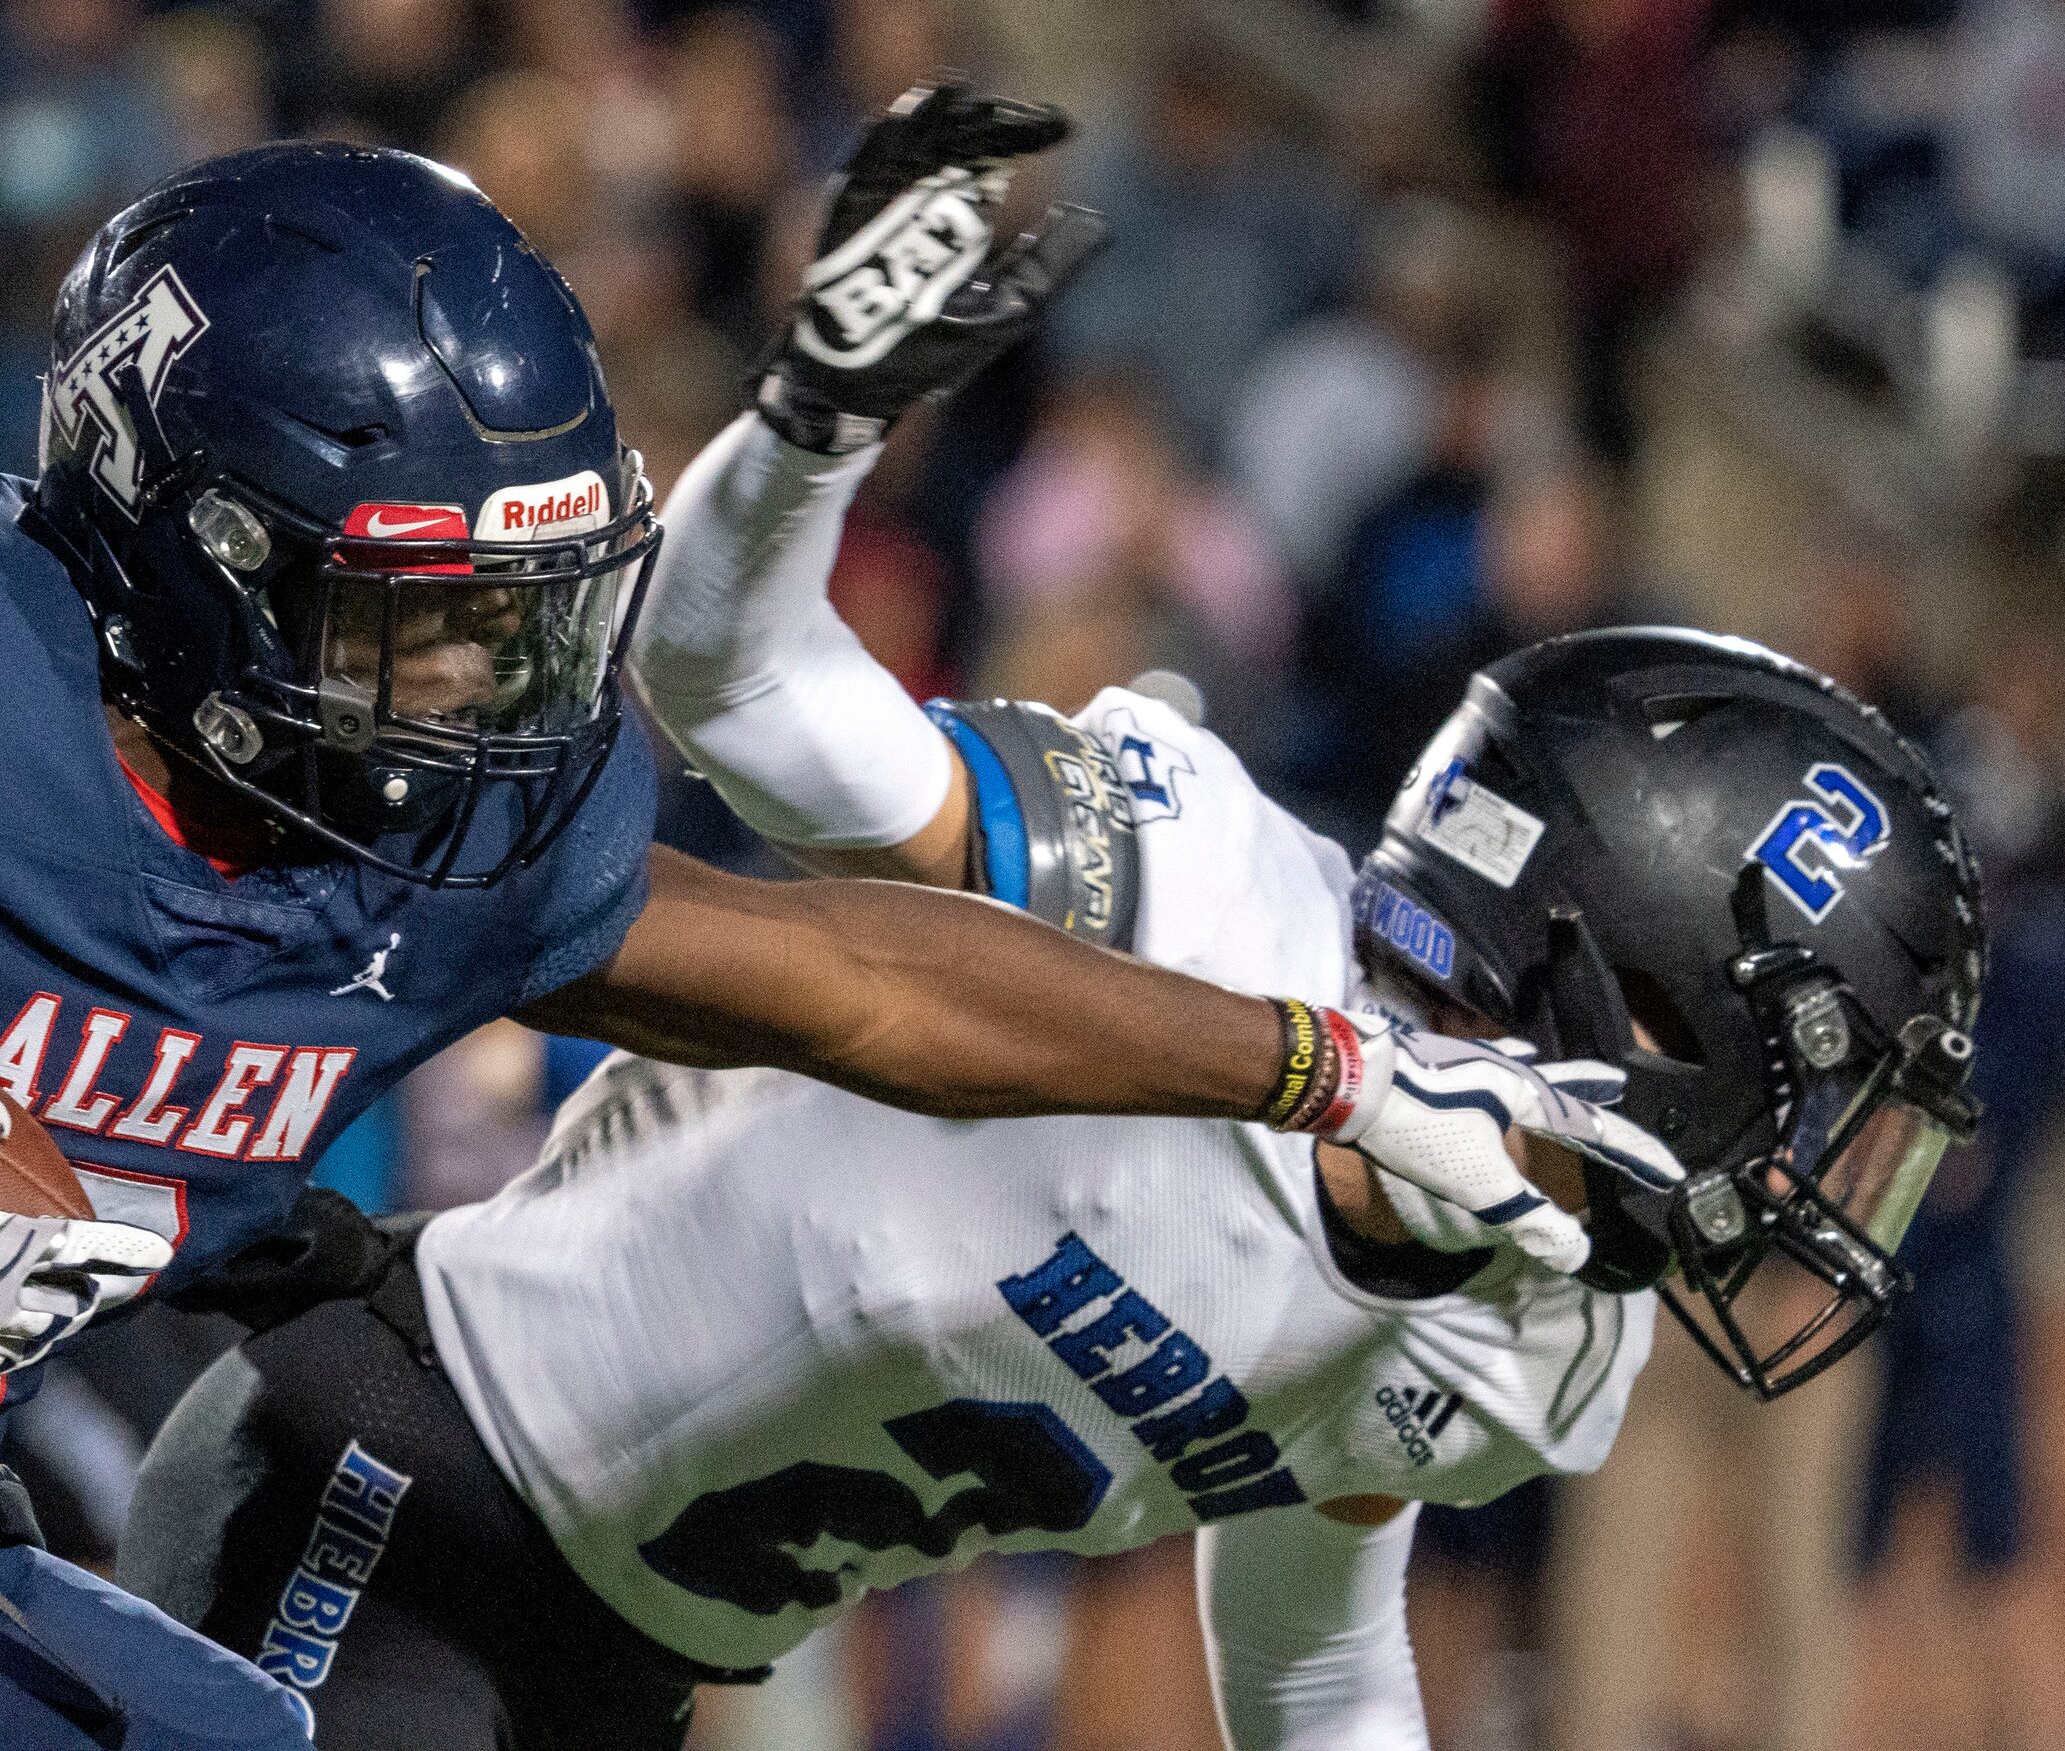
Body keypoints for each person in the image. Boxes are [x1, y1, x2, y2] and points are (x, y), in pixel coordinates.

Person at [0, 99, 1666, 1750]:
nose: (492, 685)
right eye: (422, 621)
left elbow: (862, 970)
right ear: (192, 554)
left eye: (525, 609)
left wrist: (1322, 1068)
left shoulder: (445, 829)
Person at [106, 519, 1984, 1748]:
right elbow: (731, 751)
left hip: (623, 1657)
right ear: (1631, 987)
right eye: (1812, 1086)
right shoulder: (1201, 890)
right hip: (399, 1477)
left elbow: (1316, 1638)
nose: (1823, 1171)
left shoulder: (1538, 1324)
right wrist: (804, 444)